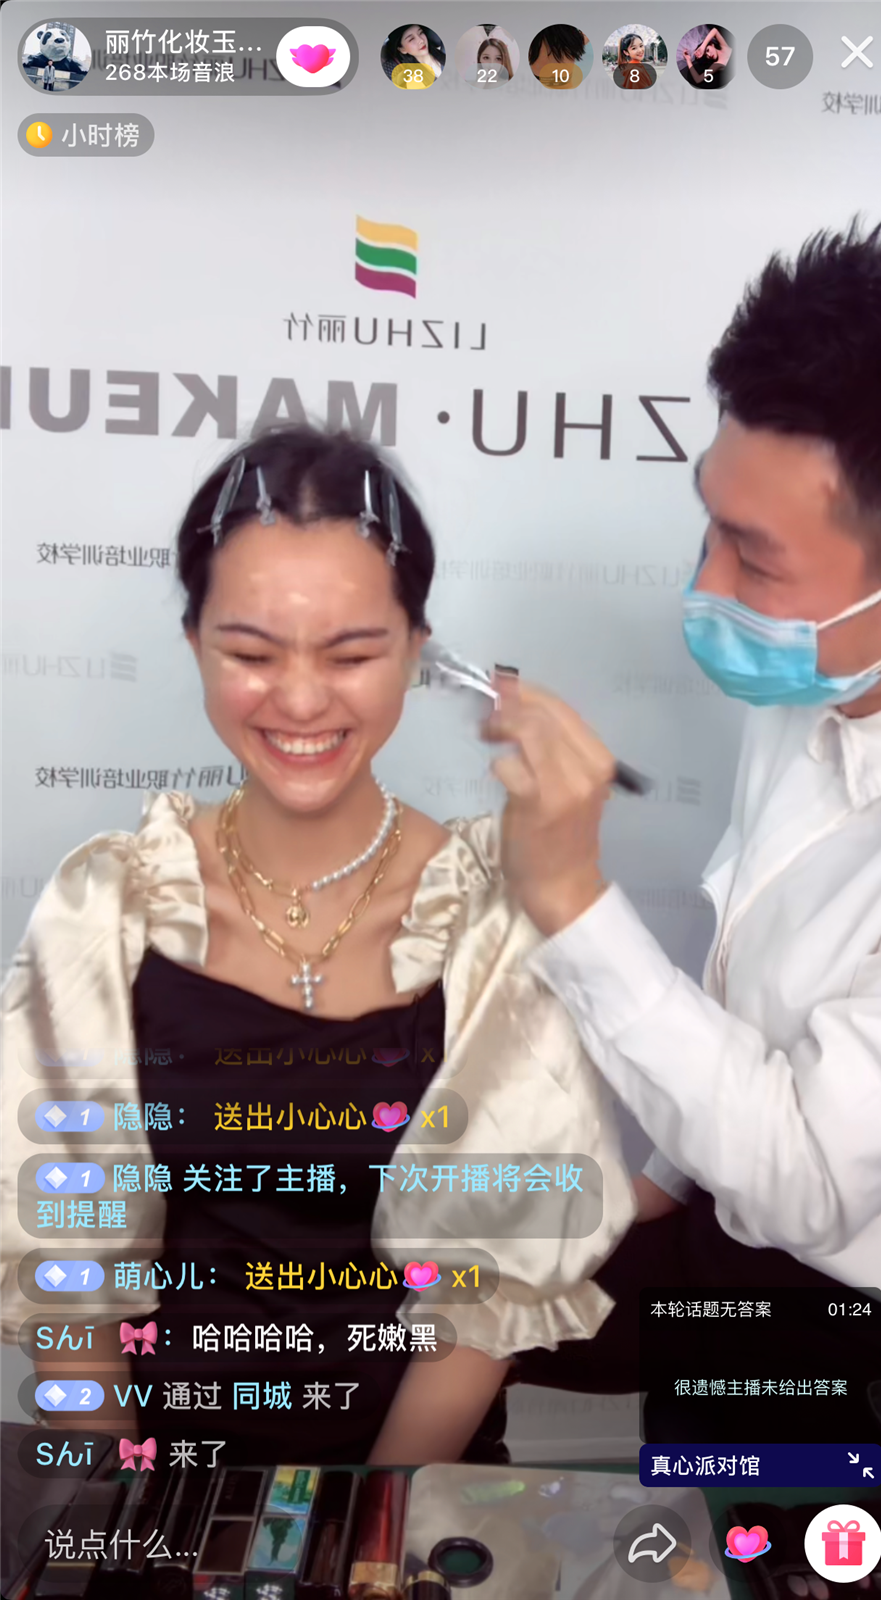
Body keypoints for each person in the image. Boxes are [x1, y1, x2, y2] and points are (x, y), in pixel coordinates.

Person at [1, 424, 636, 1468]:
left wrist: (362, 1531)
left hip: (416, 1490)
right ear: (194, 644)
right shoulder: (104, 905)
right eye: (251, 654)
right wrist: (128, 1513)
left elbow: (485, 1306)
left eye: (351, 655)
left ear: (417, 651)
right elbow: (70, 1276)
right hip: (161, 1482)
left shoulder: (491, 915)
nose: (299, 700)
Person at [483, 219, 881, 1440]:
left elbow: (811, 1184)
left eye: (756, 563)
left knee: (763, 1516)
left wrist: (570, 898)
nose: (705, 588)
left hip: (854, 1313)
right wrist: (662, 1181)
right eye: (708, 527)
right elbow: (751, 996)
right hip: (732, 1212)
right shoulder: (818, 687)